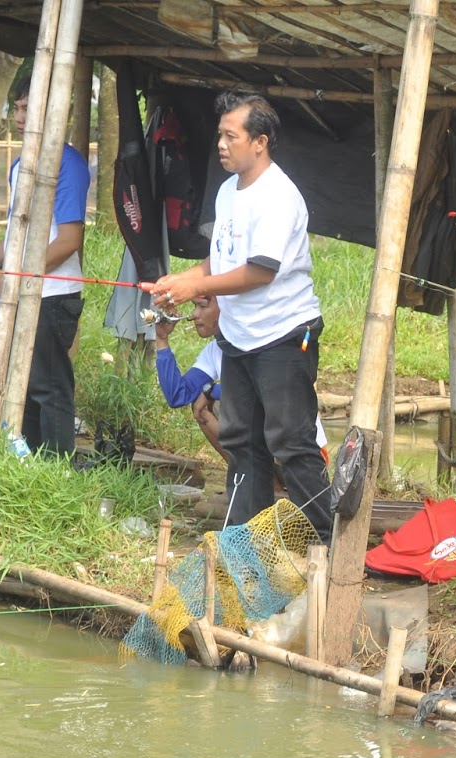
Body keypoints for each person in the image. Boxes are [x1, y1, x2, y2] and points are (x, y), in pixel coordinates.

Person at [148, 92, 330, 539]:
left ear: (260, 142)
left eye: (231, 136)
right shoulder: (229, 190)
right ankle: (245, 542)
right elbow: (221, 260)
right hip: (239, 337)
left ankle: (326, 542)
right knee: (242, 442)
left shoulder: (279, 195)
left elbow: (259, 271)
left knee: (290, 441)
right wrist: (180, 281)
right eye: (220, 135)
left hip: (284, 335)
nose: (222, 145)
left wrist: (197, 286)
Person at [0, 77, 90, 454]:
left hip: (52, 295)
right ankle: (29, 464)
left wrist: (11, 279)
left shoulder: (68, 163)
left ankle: (56, 470)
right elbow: (16, 236)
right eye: (17, 108)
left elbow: (68, 240)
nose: (18, 117)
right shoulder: (20, 165)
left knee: (50, 387)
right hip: (24, 290)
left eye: (26, 109)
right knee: (28, 387)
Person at [154, 294, 329, 474]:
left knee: (221, 401)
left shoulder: (259, 341)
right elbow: (178, 395)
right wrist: (162, 339)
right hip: (270, 454)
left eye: (202, 306)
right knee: (204, 407)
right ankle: (264, 484)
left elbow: (262, 393)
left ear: (227, 307)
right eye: (194, 306)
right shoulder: (215, 350)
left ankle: (274, 484)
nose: (194, 314)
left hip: (301, 454)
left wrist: (212, 390)